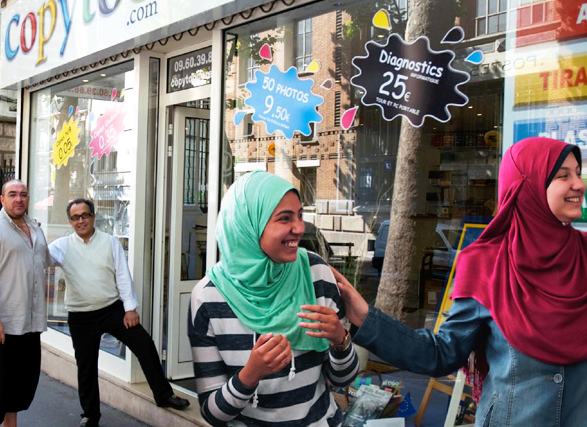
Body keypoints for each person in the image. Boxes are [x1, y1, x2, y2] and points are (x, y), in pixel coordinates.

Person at [334, 137, 587, 426]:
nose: (578, 184)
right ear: (526, 186)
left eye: (578, 173)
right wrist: (366, 318)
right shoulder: (486, 265)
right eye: (563, 175)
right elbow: (442, 354)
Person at [188, 171, 359, 427]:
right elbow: (212, 412)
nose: (300, 228)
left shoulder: (316, 274)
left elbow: (343, 380)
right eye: (284, 218)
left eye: (300, 215)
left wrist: (339, 340)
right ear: (248, 225)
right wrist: (250, 375)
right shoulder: (208, 298)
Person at [48, 198, 189, 427]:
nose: (81, 220)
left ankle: (163, 395)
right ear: (70, 221)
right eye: (76, 217)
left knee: (144, 344)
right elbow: (39, 259)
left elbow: (123, 275)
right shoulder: (62, 246)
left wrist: (130, 308)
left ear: (93, 217)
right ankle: (90, 415)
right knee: (86, 367)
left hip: (112, 310)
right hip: (81, 316)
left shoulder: (109, 242)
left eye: (85, 215)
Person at [0, 180, 52, 427]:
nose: (19, 199)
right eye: (12, 194)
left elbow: (46, 261)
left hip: (27, 323)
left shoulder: (35, 228)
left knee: (18, 389)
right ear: (2, 199)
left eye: (23, 194)